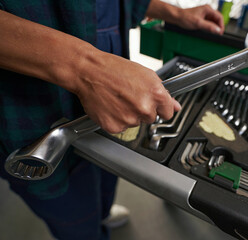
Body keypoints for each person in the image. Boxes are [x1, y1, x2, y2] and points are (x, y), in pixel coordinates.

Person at [0, 0, 224, 239]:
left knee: (106, 178)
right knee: (76, 220)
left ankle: (102, 213)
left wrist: (176, 14)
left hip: (106, 109)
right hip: (36, 114)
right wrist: (84, 68)